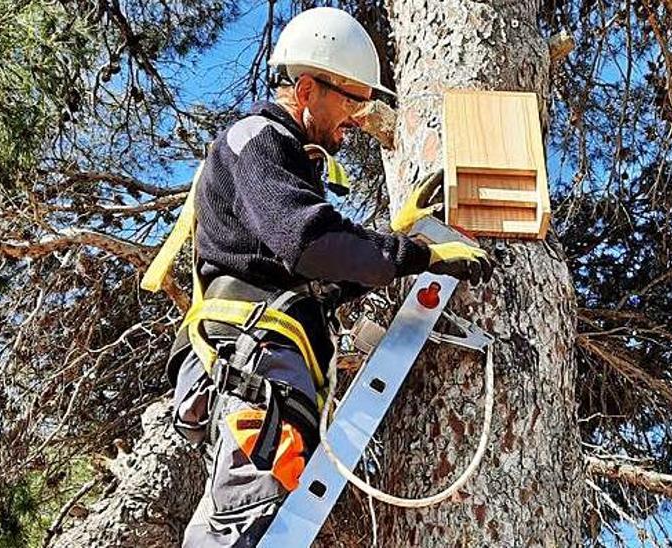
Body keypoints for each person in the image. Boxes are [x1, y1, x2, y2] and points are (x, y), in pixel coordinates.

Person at [156, 7, 495, 547]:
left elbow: (321, 276)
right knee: (242, 530)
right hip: (255, 360)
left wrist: (397, 239)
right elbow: (311, 242)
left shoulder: (285, 166)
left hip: (266, 359)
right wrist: (416, 256)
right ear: (308, 88)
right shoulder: (258, 139)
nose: (359, 116)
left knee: (243, 528)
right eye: (352, 98)